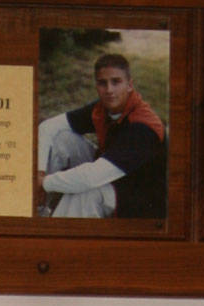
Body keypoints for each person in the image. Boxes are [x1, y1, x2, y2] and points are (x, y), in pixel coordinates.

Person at [37, 53, 165, 219]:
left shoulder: (143, 127)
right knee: (61, 139)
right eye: (102, 83)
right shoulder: (103, 108)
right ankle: (39, 210)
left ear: (130, 85)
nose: (109, 90)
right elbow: (47, 127)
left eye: (116, 82)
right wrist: (40, 173)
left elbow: (92, 177)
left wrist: (46, 183)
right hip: (112, 175)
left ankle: (56, 239)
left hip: (141, 199)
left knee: (84, 193)